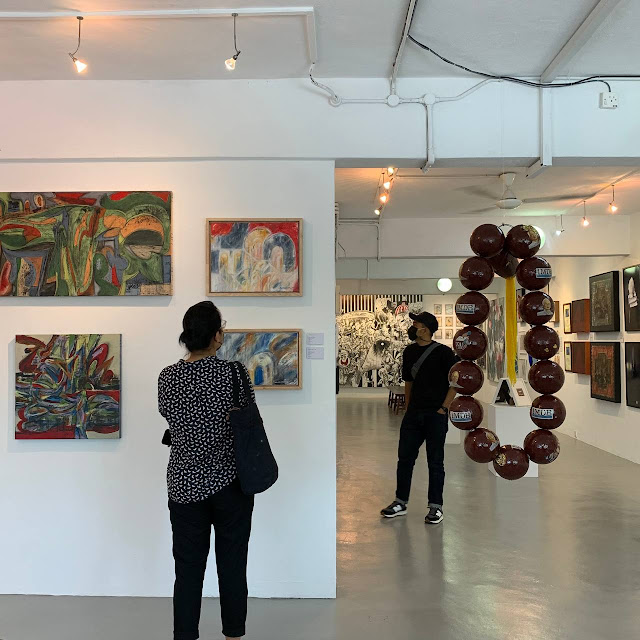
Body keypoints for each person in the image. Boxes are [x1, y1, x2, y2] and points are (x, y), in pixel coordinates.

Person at [158, 301, 254, 640]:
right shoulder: (234, 373)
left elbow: (168, 416)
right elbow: (248, 416)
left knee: (187, 570)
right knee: (232, 566)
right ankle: (233, 635)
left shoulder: (167, 377)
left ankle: (185, 635)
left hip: (184, 484)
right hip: (230, 482)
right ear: (217, 336)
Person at [381, 311, 458, 525]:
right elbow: (409, 382)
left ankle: (436, 506)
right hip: (414, 415)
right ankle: (400, 502)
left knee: (435, 462)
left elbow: (454, 384)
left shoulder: (444, 353)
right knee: (405, 459)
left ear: (426, 328)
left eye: (416, 323)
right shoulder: (409, 351)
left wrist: (443, 408)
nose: (413, 326)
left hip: (435, 415)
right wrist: (408, 407)